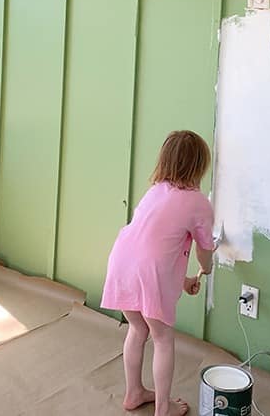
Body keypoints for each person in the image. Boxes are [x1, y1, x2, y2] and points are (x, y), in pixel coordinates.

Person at [101, 130, 217, 416]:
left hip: (121, 263)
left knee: (137, 328)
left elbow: (153, 251)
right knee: (163, 338)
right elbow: (203, 249)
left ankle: (134, 393)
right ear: (200, 166)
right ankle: (163, 409)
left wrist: (184, 280)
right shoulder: (198, 203)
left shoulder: (155, 191)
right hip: (148, 271)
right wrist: (205, 269)